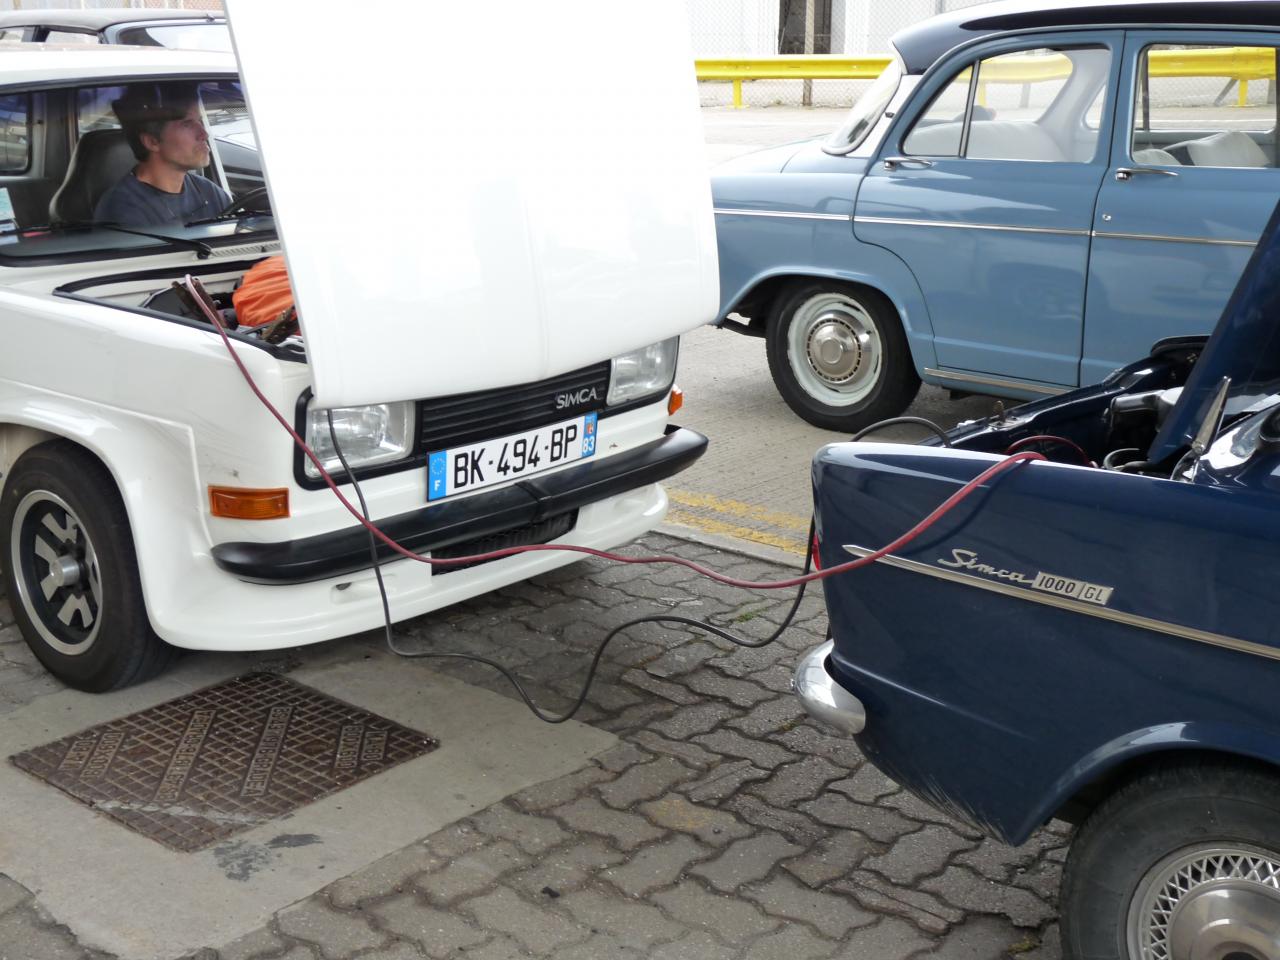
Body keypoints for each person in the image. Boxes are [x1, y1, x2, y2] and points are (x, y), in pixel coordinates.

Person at [93, 83, 230, 227]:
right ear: (152, 142)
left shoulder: (209, 192)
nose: (204, 134)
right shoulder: (122, 210)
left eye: (200, 121)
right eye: (187, 124)